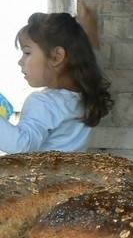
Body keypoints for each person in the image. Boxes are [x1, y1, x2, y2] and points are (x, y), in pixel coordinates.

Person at [0, 12, 113, 153]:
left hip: (42, 175)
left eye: (27, 53)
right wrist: (91, 32)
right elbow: (93, 60)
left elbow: (21, 145)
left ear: (56, 56)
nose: (20, 61)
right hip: (71, 174)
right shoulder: (84, 94)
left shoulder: (44, 103)